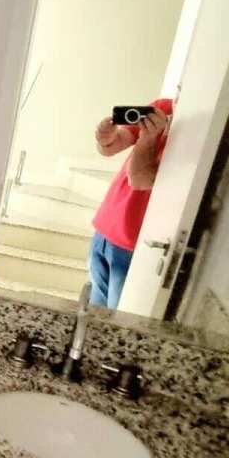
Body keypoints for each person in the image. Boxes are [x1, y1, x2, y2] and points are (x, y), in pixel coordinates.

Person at [87, 98, 174, 308]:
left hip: (132, 243)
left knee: (116, 320)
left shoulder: (196, 133)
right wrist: (105, 139)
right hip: (105, 230)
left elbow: (140, 179)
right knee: (94, 315)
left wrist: (148, 138)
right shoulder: (164, 107)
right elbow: (111, 147)